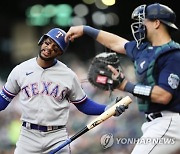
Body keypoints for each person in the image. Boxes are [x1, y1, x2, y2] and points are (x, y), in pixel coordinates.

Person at [65, 3, 180, 154]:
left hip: (170, 123)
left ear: (157, 23)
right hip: (153, 123)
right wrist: (86, 29)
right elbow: (117, 43)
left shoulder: (172, 55)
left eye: (144, 20)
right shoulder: (144, 50)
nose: (140, 25)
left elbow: (164, 96)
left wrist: (126, 85)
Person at [0, 28, 126, 154]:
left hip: (56, 136)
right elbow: (3, 100)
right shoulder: (20, 70)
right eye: (48, 43)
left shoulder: (68, 75)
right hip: (28, 136)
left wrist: (107, 109)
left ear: (60, 52)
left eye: (55, 48)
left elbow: (83, 104)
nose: (49, 48)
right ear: (41, 41)